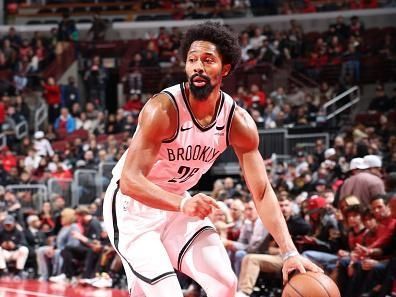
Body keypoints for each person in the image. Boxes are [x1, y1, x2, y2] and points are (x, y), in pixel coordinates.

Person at [103, 22, 322, 297]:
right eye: (192, 60)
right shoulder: (163, 109)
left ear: (225, 68)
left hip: (178, 205)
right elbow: (130, 181)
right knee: (166, 292)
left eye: (208, 60)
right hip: (131, 208)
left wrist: (289, 252)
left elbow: (262, 191)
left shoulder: (237, 122)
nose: (198, 66)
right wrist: (183, 204)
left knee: (225, 284)